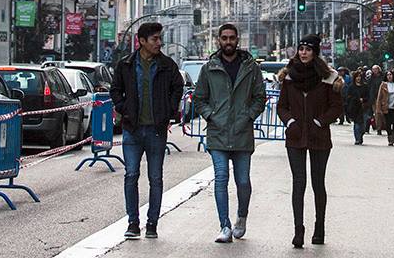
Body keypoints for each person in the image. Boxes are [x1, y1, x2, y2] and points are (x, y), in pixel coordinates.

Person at [192, 23, 268, 243]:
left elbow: (259, 97)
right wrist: (211, 115)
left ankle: (241, 217)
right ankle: (224, 225)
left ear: (237, 40)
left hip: (242, 132)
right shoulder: (210, 67)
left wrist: (248, 116)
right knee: (221, 178)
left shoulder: (251, 67)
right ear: (218, 40)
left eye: (231, 38)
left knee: (243, 181)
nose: (228, 42)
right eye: (224, 38)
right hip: (218, 132)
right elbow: (199, 98)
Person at [110, 22, 185, 240]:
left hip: (156, 130)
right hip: (132, 129)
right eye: (154, 39)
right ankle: (133, 223)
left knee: (156, 178)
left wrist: (169, 110)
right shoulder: (126, 64)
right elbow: (115, 90)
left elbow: (177, 87)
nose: (159, 42)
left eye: (159, 38)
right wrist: (123, 108)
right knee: (131, 174)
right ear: (141, 41)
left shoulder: (167, 65)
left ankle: (152, 223)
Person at [277, 34, 344, 248]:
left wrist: (319, 122)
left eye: (307, 49)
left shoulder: (328, 77)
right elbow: (282, 106)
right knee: (298, 183)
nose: (303, 52)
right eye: (301, 49)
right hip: (295, 136)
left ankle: (320, 227)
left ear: (315, 52)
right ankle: (298, 230)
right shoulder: (289, 77)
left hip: (319, 137)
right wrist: (290, 123)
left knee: (317, 183)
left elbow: (336, 107)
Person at [373, 69, 394, 146]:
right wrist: (378, 108)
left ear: (393, 76)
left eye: (390, 75)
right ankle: (390, 137)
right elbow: (379, 97)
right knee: (387, 123)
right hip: (386, 107)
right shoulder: (383, 85)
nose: (389, 76)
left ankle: (393, 133)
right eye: (387, 75)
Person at [344, 70, 368, 144]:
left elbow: (368, 96)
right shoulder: (351, 87)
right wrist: (355, 99)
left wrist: (363, 99)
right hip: (355, 107)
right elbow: (348, 97)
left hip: (364, 107)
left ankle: (361, 135)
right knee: (357, 123)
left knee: (363, 125)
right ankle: (357, 138)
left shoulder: (365, 86)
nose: (358, 78)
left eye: (359, 77)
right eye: (357, 77)